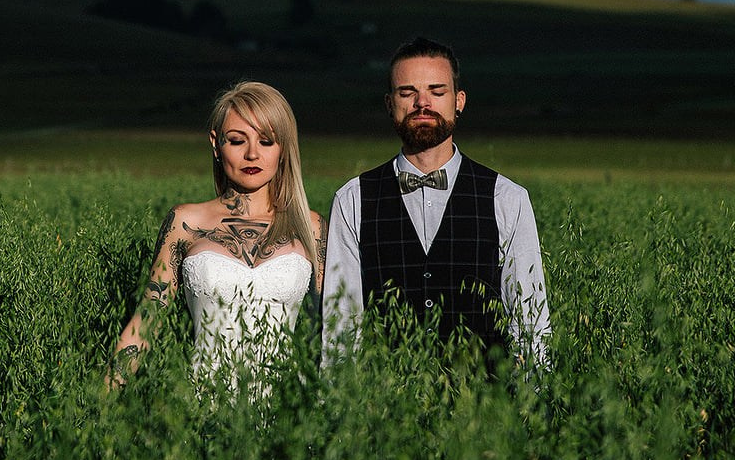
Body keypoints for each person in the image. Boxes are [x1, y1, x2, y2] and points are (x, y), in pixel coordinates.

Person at [321, 36, 550, 369]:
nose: (422, 103)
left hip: (485, 409)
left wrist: (534, 407)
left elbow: (530, 320)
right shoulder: (352, 199)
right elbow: (340, 322)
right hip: (385, 409)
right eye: (407, 92)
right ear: (389, 103)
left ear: (459, 101)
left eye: (436, 91)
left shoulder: (507, 198)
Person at [109, 80, 325, 390]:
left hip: (287, 412)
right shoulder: (185, 222)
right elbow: (147, 321)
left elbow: (333, 329)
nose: (252, 154)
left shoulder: (311, 227)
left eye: (266, 141)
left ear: (284, 148)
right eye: (237, 140)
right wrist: (97, 409)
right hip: (204, 407)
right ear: (216, 143)